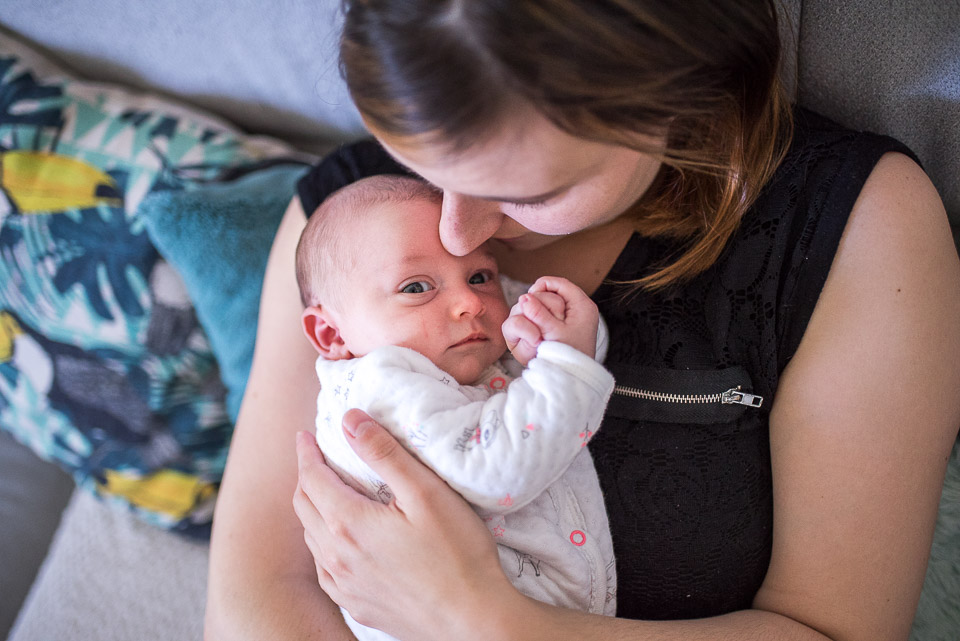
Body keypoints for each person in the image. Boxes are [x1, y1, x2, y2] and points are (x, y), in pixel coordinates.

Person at [205, 1, 960, 639]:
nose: (458, 234)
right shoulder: (337, 231)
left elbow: (831, 628)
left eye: (526, 193)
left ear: (679, 90)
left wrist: (484, 619)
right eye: (424, 169)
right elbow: (262, 589)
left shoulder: (856, 227)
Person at [294, 174, 617, 640]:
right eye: (416, 287)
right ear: (333, 335)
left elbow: (572, 378)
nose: (469, 302)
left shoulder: (457, 352)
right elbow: (496, 470)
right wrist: (565, 364)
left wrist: (557, 334)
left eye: (480, 277)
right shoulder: (380, 386)